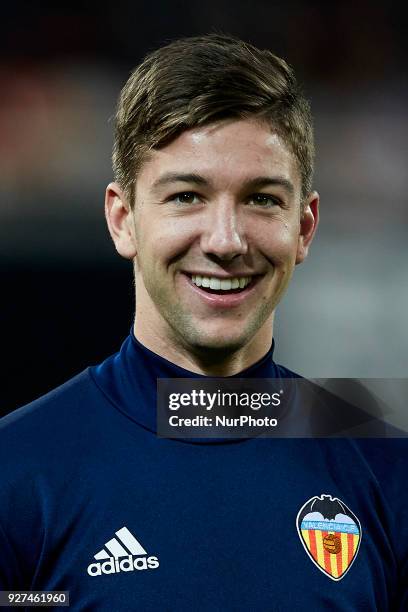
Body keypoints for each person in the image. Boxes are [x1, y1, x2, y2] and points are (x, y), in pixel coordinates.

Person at [0, 34, 406, 611]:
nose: (225, 242)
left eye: (262, 199)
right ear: (123, 220)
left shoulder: (387, 470)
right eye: (187, 196)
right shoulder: (18, 475)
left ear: (304, 228)